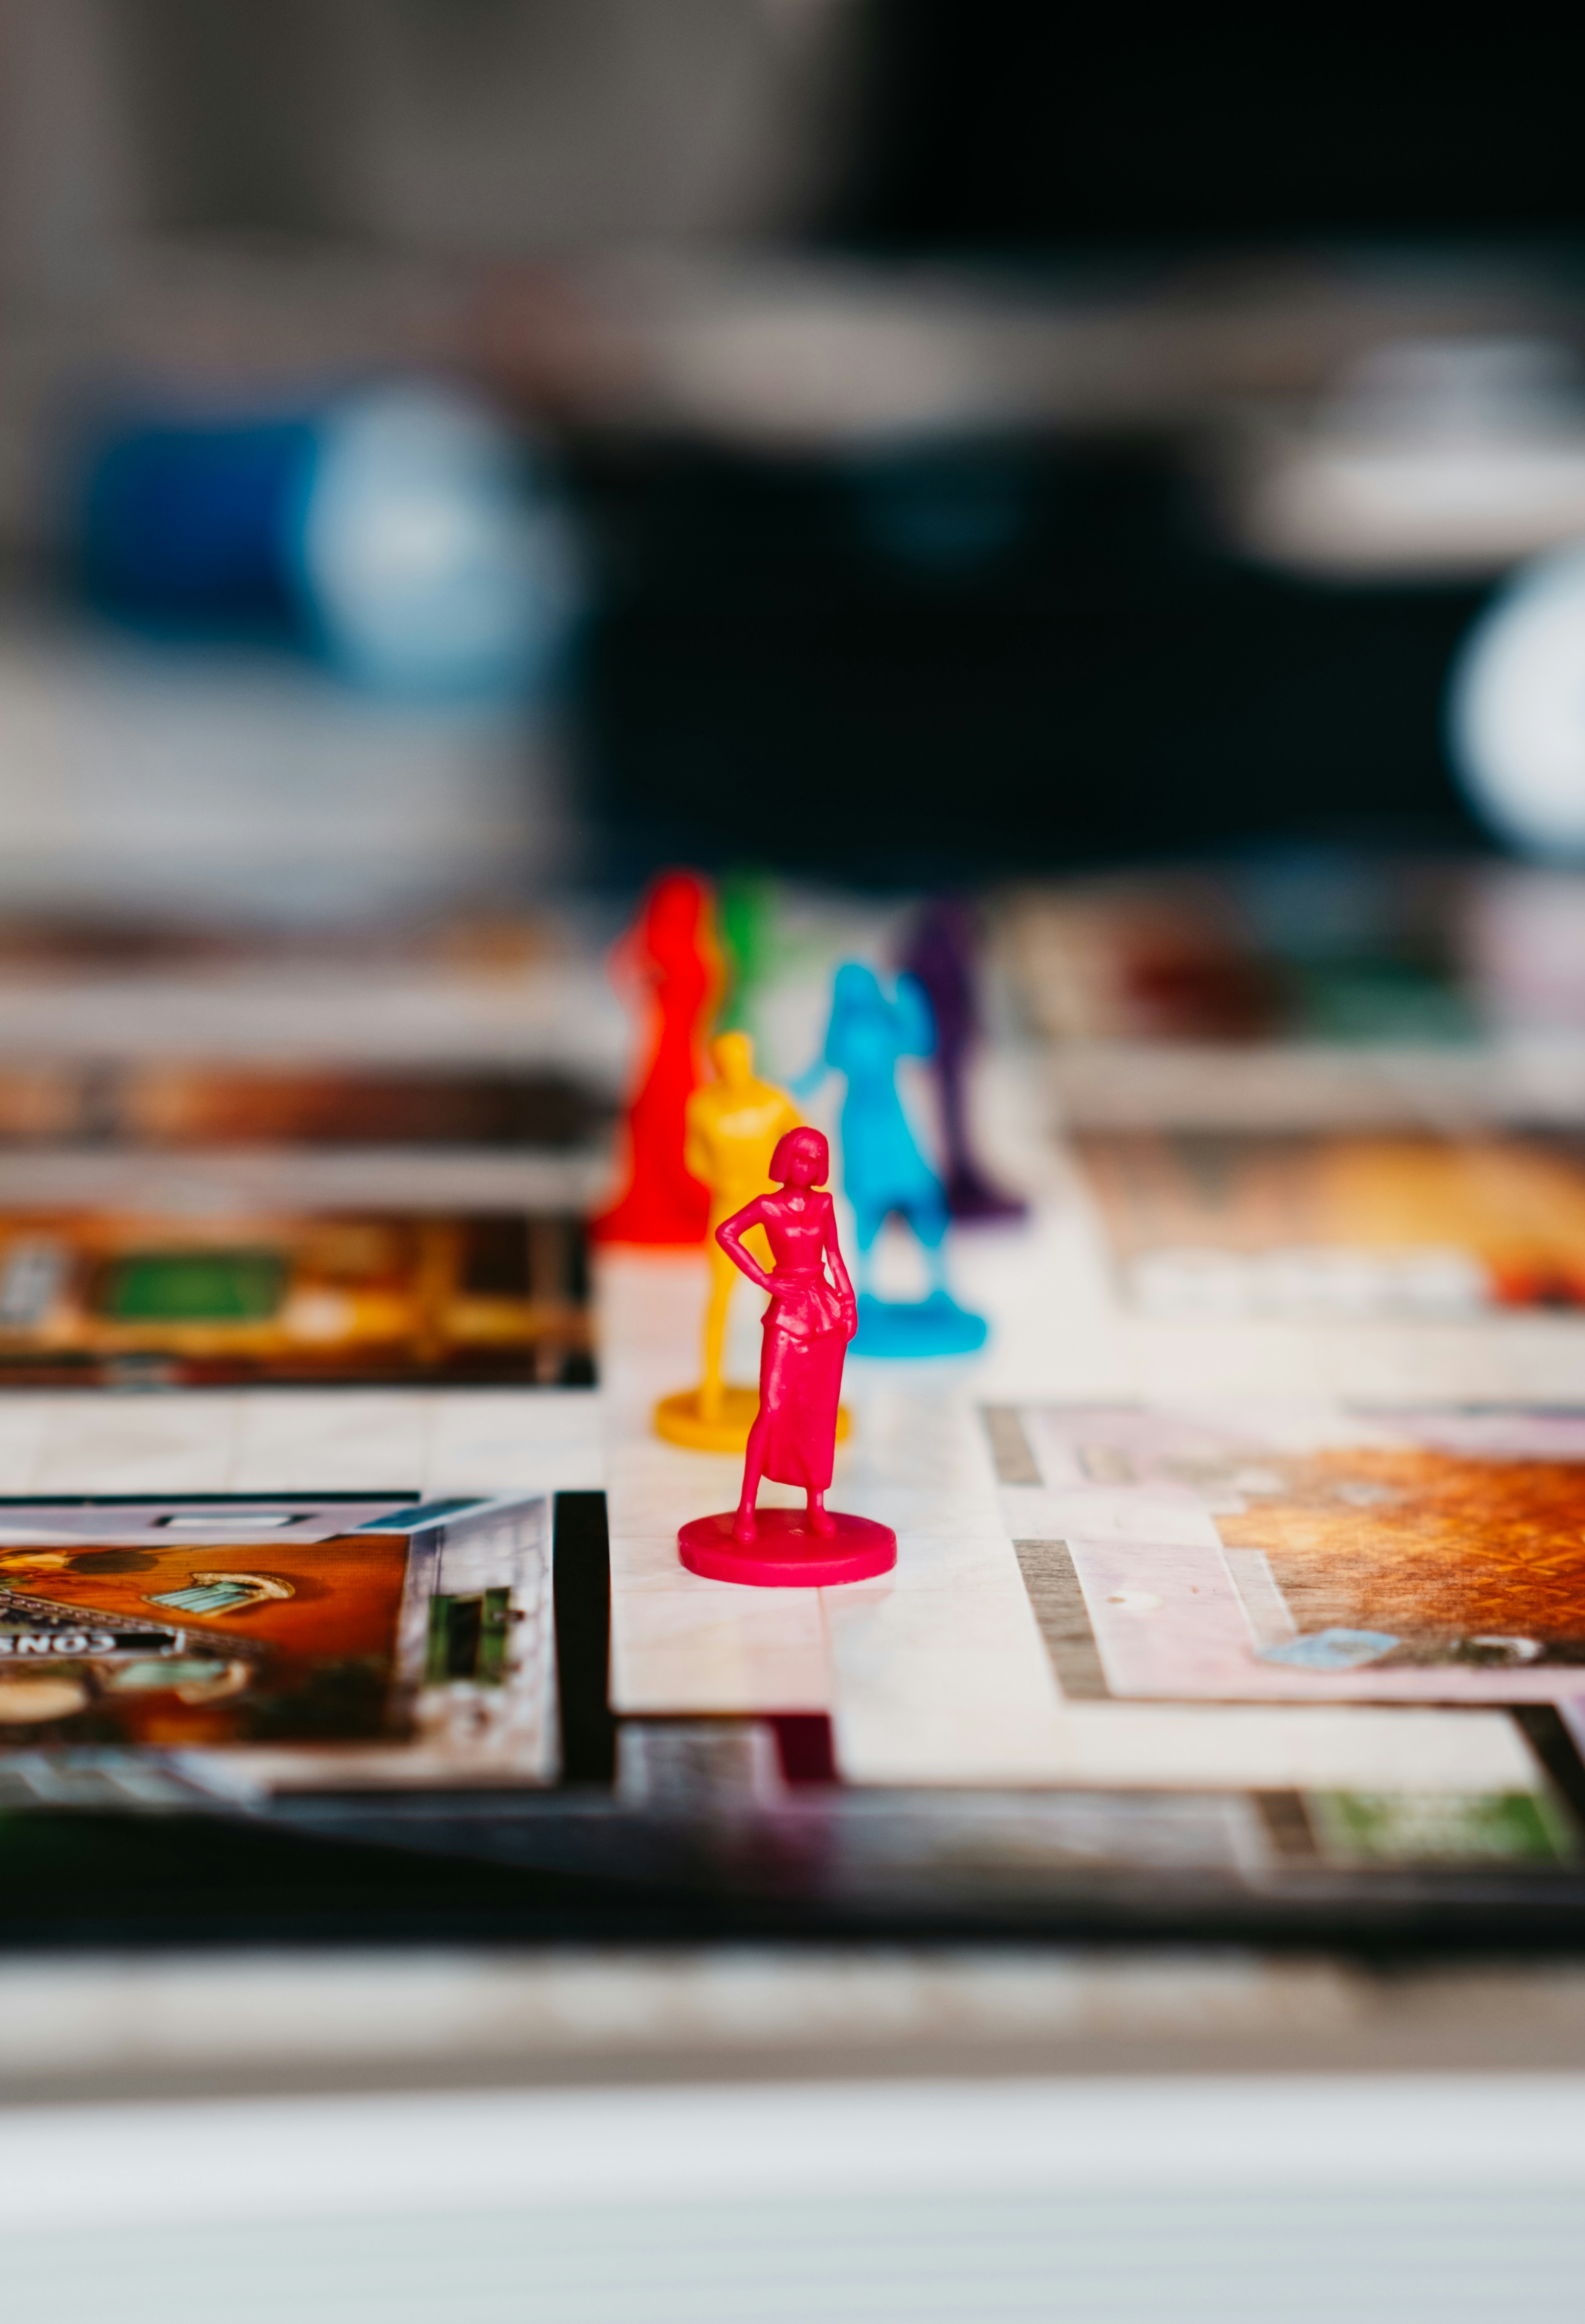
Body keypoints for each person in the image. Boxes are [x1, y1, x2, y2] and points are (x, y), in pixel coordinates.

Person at [714, 1126, 856, 1542]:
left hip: (824, 1312)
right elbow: (726, 1233)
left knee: (820, 1411)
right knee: (772, 1408)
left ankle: (816, 1504)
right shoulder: (768, 1206)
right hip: (787, 1312)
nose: (806, 1166)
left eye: (815, 1159)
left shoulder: (825, 1204)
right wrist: (765, 1279)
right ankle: (747, 1506)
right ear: (784, 1159)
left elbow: (835, 1257)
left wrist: (848, 1304)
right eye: (800, 1157)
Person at [682, 1031, 803, 1427]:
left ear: (750, 1059)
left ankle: (785, 1389)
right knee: (720, 1301)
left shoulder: (774, 1102)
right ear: (717, 1064)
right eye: (726, 1060)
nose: (734, 1067)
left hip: (769, 1212)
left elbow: (804, 1142)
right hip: (729, 1211)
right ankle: (712, 1387)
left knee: (781, 1300)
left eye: (740, 1059)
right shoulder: (703, 1106)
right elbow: (694, 1156)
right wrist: (719, 1178)